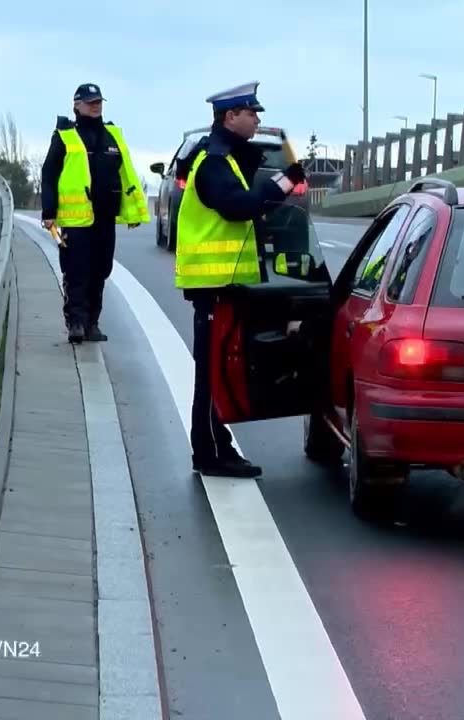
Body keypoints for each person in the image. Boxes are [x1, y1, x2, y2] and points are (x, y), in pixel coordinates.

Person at [175, 81, 307, 477]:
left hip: (227, 288)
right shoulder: (213, 162)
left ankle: (216, 448)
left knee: (218, 370)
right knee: (212, 374)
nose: (257, 118)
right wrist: (284, 182)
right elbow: (238, 207)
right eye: (251, 113)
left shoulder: (226, 158)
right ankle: (212, 453)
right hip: (215, 289)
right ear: (230, 116)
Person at [40, 82, 150, 343]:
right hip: (74, 220)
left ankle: (92, 323)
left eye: (99, 101)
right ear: (77, 105)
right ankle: (76, 322)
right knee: (77, 271)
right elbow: (49, 174)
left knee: (100, 270)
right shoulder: (65, 136)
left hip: (104, 217)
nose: (96, 105)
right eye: (90, 102)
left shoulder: (113, 136)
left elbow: (126, 174)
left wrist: (132, 211)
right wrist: (49, 211)